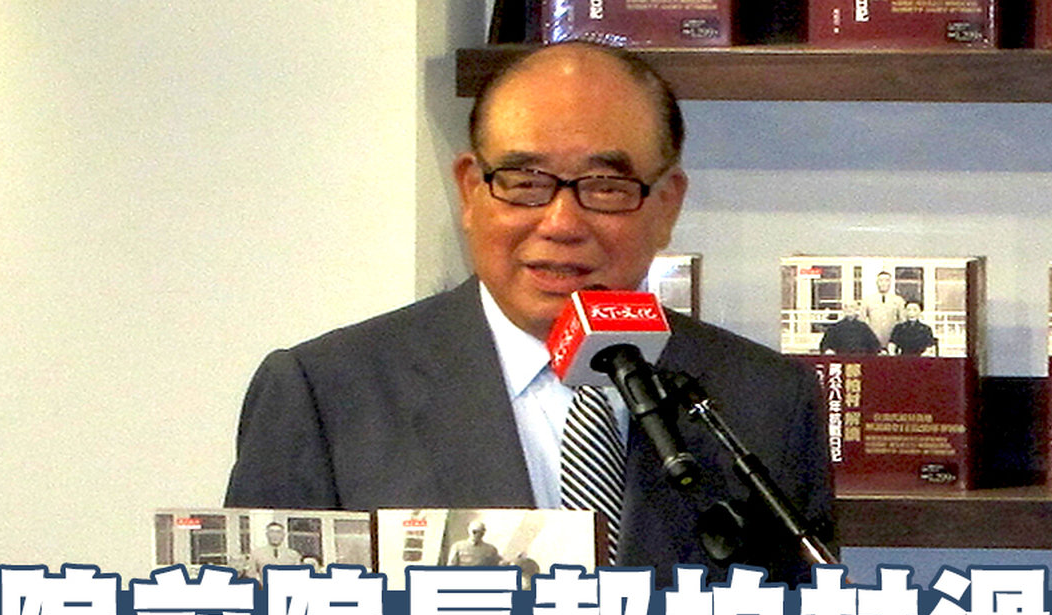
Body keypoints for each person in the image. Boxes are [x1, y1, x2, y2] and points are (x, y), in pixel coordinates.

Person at [225, 42, 835, 586]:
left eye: (606, 186)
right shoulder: (327, 395)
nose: (562, 223)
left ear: (667, 205)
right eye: (524, 182)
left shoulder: (763, 399)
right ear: (470, 190)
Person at [861, 271, 906, 348]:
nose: (883, 283)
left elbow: (902, 322)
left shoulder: (898, 300)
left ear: (890, 283)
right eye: (881, 280)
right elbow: (862, 322)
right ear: (877, 283)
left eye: (886, 280)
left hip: (892, 341)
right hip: (872, 341)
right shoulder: (867, 300)